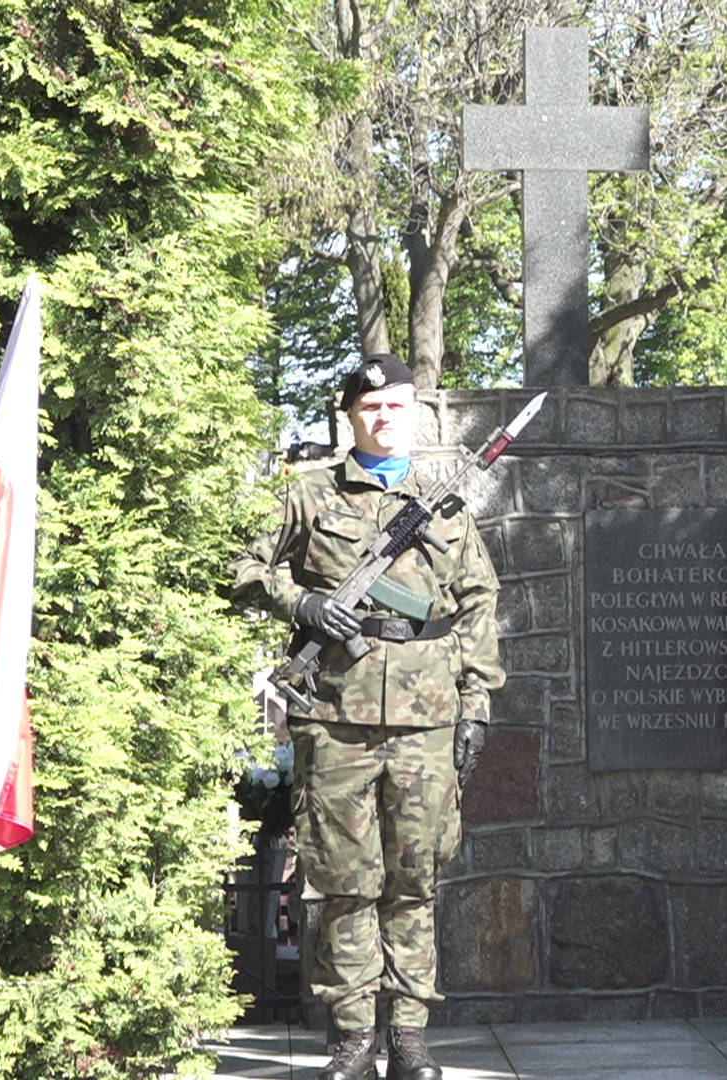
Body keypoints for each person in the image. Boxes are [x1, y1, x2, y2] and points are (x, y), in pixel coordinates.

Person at [232, 354, 504, 1080]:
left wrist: (477, 703)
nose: (387, 418)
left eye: (399, 407)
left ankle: (410, 1036)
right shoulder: (310, 496)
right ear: (351, 416)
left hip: (429, 717)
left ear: (414, 413)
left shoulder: (444, 503)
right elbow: (240, 565)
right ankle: (353, 1037)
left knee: (415, 879)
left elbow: (477, 602)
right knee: (344, 883)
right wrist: (304, 604)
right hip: (336, 717)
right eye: (373, 408)